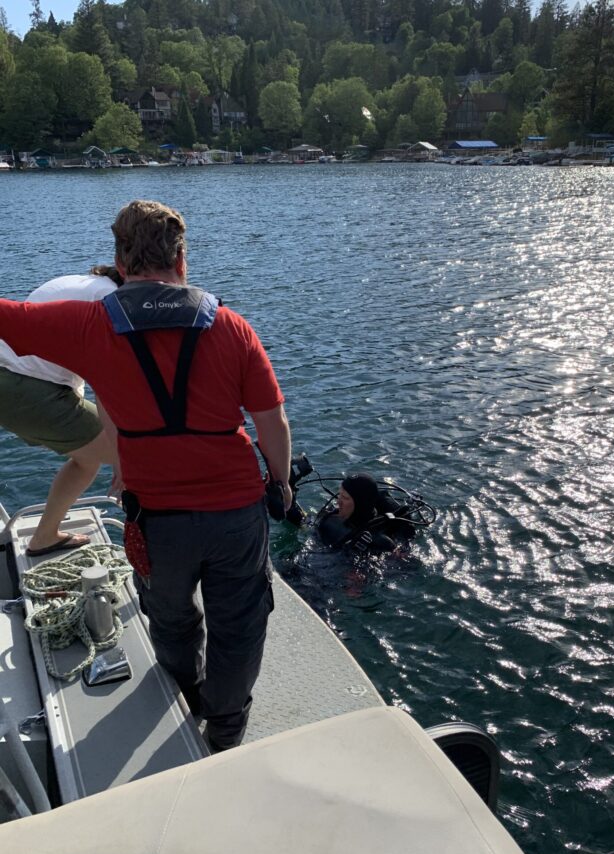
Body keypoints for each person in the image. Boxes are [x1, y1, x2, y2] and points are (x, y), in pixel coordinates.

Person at [0, 199, 292, 751]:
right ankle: (227, 728)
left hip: (157, 520)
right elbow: (271, 420)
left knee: (170, 613)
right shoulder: (232, 327)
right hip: (235, 514)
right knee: (240, 625)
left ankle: (184, 693)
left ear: (118, 259)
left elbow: (7, 317)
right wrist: (280, 484)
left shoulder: (86, 324)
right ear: (182, 259)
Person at [0, 270, 120, 555]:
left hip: (10, 380)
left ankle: (45, 536)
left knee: (86, 460)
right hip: (30, 390)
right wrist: (120, 457)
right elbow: (107, 386)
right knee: (137, 456)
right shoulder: (110, 300)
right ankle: (158, 553)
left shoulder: (81, 283)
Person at [317, 473, 396, 554]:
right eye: (339, 494)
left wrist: (352, 555)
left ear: (360, 504)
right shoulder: (329, 519)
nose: (338, 501)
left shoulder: (381, 543)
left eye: (345, 498)